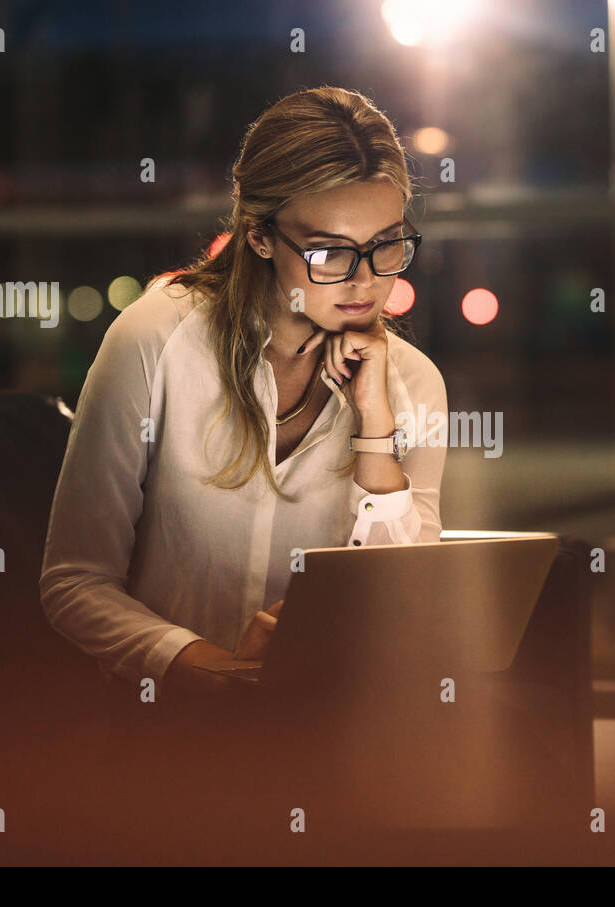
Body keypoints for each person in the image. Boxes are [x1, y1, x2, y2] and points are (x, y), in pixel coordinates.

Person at [39, 87, 448, 703]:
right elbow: (74, 582)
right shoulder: (156, 338)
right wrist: (206, 668)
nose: (367, 280)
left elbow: (407, 603)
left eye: (387, 244)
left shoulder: (411, 383)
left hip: (334, 718)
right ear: (259, 237)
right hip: (162, 718)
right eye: (329, 251)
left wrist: (373, 427)